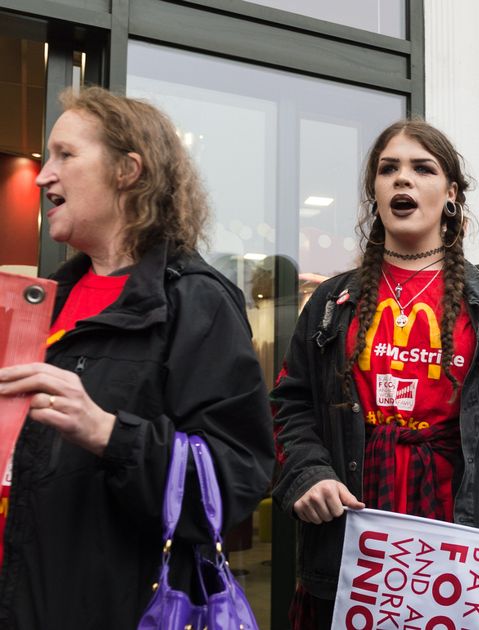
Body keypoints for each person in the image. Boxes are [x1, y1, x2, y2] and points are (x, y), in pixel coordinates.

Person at [0, 87, 274, 628]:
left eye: (65, 154)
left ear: (128, 170)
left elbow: (236, 479)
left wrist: (107, 432)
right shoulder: (45, 301)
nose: (41, 175)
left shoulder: (195, 300)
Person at [272, 120, 479, 629]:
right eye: (388, 169)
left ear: (450, 195)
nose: (403, 179)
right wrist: (307, 472)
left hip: (460, 525)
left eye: (422, 168)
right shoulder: (333, 300)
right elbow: (290, 403)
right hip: (351, 525)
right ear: (373, 192)